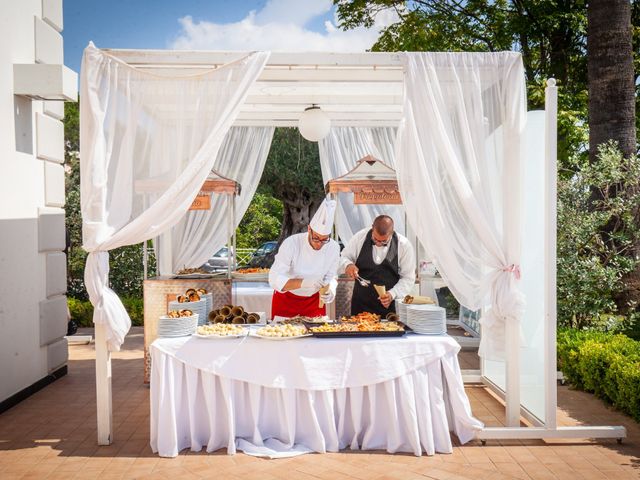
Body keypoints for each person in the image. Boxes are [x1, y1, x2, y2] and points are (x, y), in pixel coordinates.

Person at [268, 198, 340, 319]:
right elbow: (274, 279)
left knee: (316, 334)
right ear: (309, 230)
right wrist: (304, 282)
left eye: (324, 239)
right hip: (287, 299)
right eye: (316, 238)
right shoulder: (291, 243)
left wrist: (331, 288)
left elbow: (331, 276)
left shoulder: (333, 247)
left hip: (314, 301)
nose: (319, 243)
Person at [340, 215, 416, 317]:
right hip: (361, 304)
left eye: (384, 241)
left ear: (392, 232)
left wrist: (392, 294)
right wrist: (348, 265)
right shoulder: (359, 238)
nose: (379, 244)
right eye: (375, 239)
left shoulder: (404, 245)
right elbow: (344, 257)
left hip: (390, 307)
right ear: (372, 228)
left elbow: (408, 278)